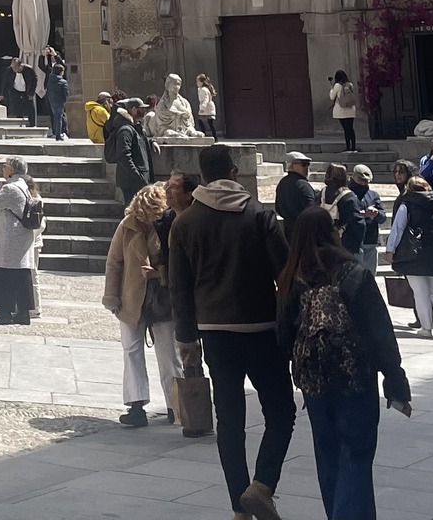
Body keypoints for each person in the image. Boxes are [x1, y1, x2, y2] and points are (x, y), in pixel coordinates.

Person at [170, 142, 293, 520]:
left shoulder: (185, 222)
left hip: (215, 330)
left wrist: (187, 338)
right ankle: (262, 485)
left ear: (202, 177)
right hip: (261, 327)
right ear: (234, 173)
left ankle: (238, 506)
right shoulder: (259, 214)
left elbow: (179, 287)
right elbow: (284, 274)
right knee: (281, 411)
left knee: (230, 420)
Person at [276, 205, 410, 520]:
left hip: (314, 384)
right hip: (356, 377)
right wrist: (395, 379)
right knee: (358, 454)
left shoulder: (291, 277)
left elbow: (284, 335)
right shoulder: (354, 272)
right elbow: (379, 331)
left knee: (328, 455)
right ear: (332, 231)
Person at [104, 182, 176, 428]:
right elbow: (114, 263)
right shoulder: (127, 226)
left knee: (168, 353)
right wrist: (112, 298)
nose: (146, 218)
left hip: (161, 298)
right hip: (132, 297)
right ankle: (136, 405)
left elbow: (177, 261)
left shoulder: (167, 226)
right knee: (131, 351)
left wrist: (159, 272)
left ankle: (174, 404)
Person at [388, 176, 433, 338]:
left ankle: (427, 327)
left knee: (420, 293)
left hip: (413, 254)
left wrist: (391, 249)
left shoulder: (407, 205)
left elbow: (398, 229)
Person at [0, 155, 41, 325]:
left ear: (11, 170)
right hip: (22, 238)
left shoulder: (10, 189)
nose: (2, 168)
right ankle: (23, 313)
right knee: (20, 277)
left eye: (5, 166)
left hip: (9, 240)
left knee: (4, 276)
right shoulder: (25, 187)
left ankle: (4, 312)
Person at [338, 165, 384, 276]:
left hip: (370, 240)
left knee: (370, 276)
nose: (363, 183)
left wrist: (376, 213)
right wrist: (359, 215)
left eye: (366, 181)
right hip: (352, 241)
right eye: (361, 180)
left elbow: (383, 217)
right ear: (353, 177)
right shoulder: (346, 195)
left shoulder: (373, 195)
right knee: (353, 276)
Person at [112, 98, 153, 201]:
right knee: (134, 212)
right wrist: (138, 176)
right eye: (142, 109)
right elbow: (123, 156)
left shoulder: (135, 127)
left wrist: (152, 142)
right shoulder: (125, 130)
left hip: (139, 180)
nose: (144, 112)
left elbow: (141, 140)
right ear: (134, 110)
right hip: (132, 183)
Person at [274, 153, 318, 224]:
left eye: (308, 164)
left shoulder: (282, 183)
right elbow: (312, 209)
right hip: (305, 228)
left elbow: (278, 208)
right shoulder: (302, 185)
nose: (306, 167)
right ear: (292, 165)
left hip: (288, 228)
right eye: (303, 164)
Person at [328, 71, 359, 153]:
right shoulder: (350, 85)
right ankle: (354, 147)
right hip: (351, 109)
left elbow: (332, 97)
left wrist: (331, 88)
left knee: (346, 129)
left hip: (341, 109)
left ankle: (348, 147)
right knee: (351, 128)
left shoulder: (337, 85)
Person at [44, 49, 70, 141]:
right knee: (56, 116)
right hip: (55, 98)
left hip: (54, 98)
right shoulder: (51, 69)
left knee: (60, 116)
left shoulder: (59, 65)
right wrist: (43, 55)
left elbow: (62, 66)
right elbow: (41, 66)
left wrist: (55, 55)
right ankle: (57, 132)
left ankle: (62, 131)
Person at [196, 74, 219, 139]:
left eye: (197, 82)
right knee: (210, 123)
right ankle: (214, 137)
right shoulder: (203, 89)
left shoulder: (203, 90)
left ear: (201, 82)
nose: (197, 83)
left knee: (201, 121)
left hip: (206, 108)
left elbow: (205, 99)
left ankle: (205, 134)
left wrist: (202, 108)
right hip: (208, 108)